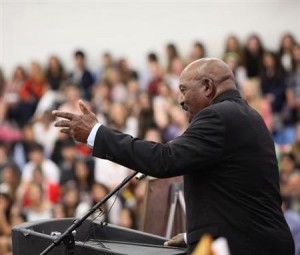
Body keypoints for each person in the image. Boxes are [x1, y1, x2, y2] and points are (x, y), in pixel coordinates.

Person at [53, 58, 294, 255]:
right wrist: (195, 236)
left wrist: (96, 133)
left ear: (208, 87)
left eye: (183, 91)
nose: (180, 100)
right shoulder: (248, 116)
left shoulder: (217, 117)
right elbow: (239, 197)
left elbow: (164, 159)